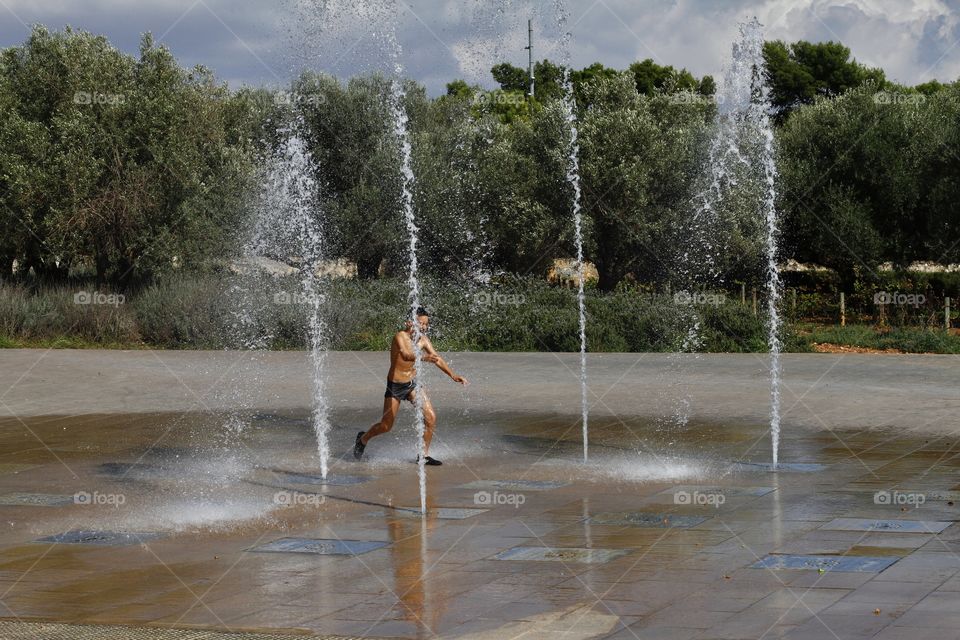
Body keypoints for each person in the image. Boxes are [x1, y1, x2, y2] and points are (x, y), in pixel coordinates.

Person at [353, 306, 468, 466]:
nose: (424, 327)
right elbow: (406, 355)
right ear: (409, 322)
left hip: (413, 384)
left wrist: (453, 375)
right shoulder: (400, 336)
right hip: (395, 385)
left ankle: (423, 456)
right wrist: (424, 358)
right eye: (421, 323)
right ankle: (363, 438)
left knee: (430, 418)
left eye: (426, 324)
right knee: (386, 426)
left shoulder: (424, 340)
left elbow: (437, 358)